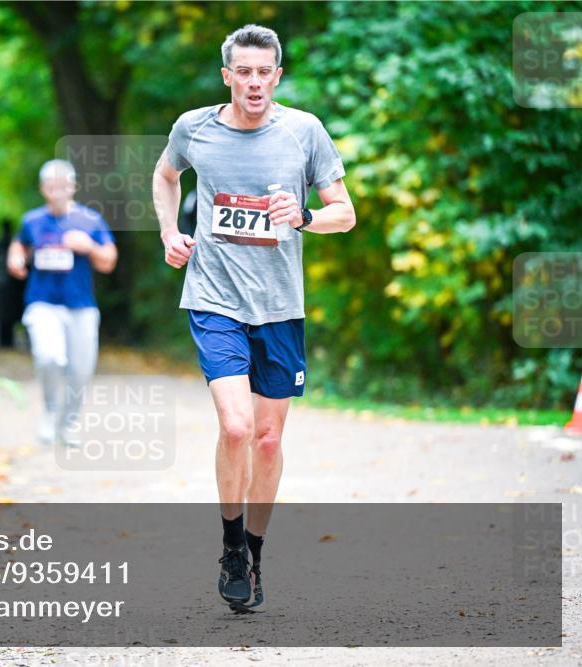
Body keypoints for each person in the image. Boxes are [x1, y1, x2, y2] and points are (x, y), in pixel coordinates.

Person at [152, 24, 356, 613]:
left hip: (280, 309)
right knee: (237, 428)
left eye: (264, 71)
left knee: (268, 441)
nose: (254, 82)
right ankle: (230, 547)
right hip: (214, 298)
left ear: (278, 75)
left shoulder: (304, 132)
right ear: (227, 77)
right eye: (243, 71)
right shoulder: (195, 128)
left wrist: (306, 217)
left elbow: (345, 213)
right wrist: (170, 231)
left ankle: (256, 555)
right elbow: (166, 176)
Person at [7, 160, 118, 445]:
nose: (58, 191)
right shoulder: (32, 220)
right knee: (49, 357)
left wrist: (88, 246)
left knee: (81, 370)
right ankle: (49, 410)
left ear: (73, 187)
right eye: (52, 185)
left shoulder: (90, 220)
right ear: (44, 189)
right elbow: (20, 244)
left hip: (81, 305)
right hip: (42, 302)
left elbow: (109, 261)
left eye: (63, 185)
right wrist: (16, 258)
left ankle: (69, 424)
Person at [0, 218, 27, 348]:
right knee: (6, 314)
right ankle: (5, 341)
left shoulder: (4, 244)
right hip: (6, 284)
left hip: (6, 284)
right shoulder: (7, 244)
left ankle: (5, 341)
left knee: (5, 313)